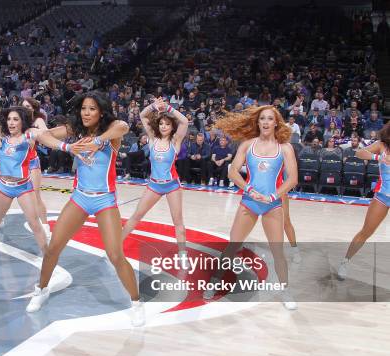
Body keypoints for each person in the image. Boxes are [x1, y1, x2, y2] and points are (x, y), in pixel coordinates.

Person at [26, 92, 145, 327]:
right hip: (80, 198)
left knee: (115, 255)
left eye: (92, 109)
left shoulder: (111, 132)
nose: (86, 113)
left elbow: (123, 125)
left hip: (105, 200)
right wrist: (67, 147)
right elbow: (42, 135)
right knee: (53, 249)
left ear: (101, 111)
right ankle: (41, 289)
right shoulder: (75, 130)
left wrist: (99, 141)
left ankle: (136, 302)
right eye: (83, 108)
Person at [204, 106, 299, 310]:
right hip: (249, 201)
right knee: (232, 246)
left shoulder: (285, 148)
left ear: (276, 123)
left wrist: (272, 196)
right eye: (262, 118)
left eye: (269, 119)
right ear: (258, 122)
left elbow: (292, 179)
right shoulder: (247, 145)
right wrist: (250, 190)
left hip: (272, 205)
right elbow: (233, 172)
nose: (265, 122)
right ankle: (214, 281)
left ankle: (285, 291)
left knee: (277, 252)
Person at [0, 107, 58, 267]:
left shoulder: (28, 135)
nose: (11, 122)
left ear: (22, 121)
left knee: (34, 224)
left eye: (15, 119)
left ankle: (48, 258)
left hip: (23, 187)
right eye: (9, 119)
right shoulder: (2, 134)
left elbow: (45, 134)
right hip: (3, 187)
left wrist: (67, 147)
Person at [121, 97, 189, 259]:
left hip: (172, 185)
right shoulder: (152, 138)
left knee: (177, 221)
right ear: (158, 126)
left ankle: (182, 254)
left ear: (172, 127)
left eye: (167, 124)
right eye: (161, 124)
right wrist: (154, 106)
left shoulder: (175, 141)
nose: (164, 126)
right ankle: (116, 245)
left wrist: (169, 108)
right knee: (136, 215)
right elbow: (143, 116)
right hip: (154, 185)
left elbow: (185, 122)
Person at [337, 122, 390, 280]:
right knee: (366, 232)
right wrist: (378, 157)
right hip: (382, 196)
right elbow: (359, 153)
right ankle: (345, 262)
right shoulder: (381, 146)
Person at [21, 97, 50, 236]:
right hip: (17, 162)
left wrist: (33, 133)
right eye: (23, 106)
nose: (25, 108)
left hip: (32, 161)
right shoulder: (18, 120)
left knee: (36, 194)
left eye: (27, 106)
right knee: (7, 193)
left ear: (33, 108)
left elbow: (45, 132)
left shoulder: (37, 120)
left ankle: (45, 226)